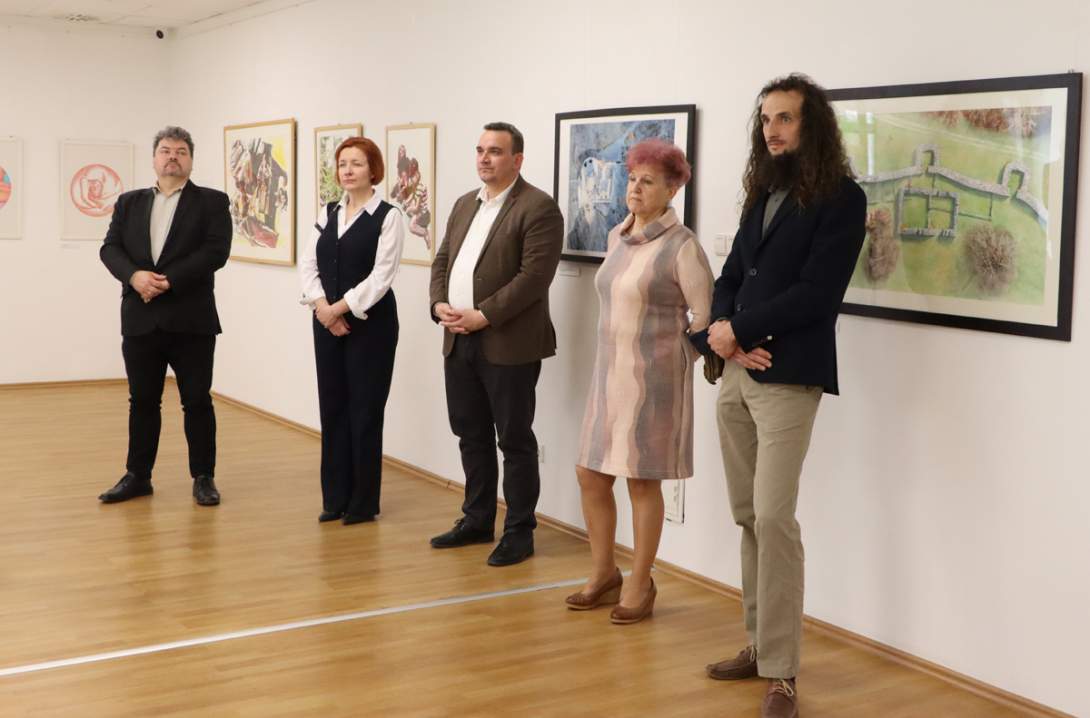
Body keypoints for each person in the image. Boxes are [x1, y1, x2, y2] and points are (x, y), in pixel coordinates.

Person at [704, 74, 866, 718]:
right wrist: (724, 334)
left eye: (785, 118)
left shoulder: (842, 198)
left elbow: (818, 294)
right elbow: (730, 276)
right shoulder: (763, 191)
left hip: (789, 375)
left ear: (812, 125)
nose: (772, 130)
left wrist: (738, 331)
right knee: (748, 516)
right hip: (738, 374)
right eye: (766, 119)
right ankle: (759, 644)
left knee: (774, 519)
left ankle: (783, 673)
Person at [567, 139, 713, 624]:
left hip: (654, 381)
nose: (635, 188)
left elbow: (705, 317)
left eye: (648, 181)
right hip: (608, 375)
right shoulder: (617, 236)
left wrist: (676, 359)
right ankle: (604, 573)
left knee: (641, 482)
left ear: (672, 190)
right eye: (632, 178)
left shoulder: (682, 246)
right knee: (590, 473)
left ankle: (639, 582)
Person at [427, 122, 563, 566]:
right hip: (457, 338)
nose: (484, 158)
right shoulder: (465, 203)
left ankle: (519, 532)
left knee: (515, 440)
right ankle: (477, 519)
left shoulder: (538, 207)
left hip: (508, 344)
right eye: (480, 150)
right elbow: (443, 260)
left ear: (517, 160)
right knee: (470, 434)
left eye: (496, 151)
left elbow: (534, 278)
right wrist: (439, 304)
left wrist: (483, 315)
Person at [98, 126, 231, 507]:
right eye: (166, 150)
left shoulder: (212, 202)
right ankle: (138, 476)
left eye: (181, 151)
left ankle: (203, 477)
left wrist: (168, 280)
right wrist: (134, 276)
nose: (173, 157)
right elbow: (110, 249)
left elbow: (215, 252)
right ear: (154, 159)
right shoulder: (129, 202)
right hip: (140, 317)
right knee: (142, 401)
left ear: (191, 160)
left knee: (197, 401)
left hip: (192, 320)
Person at [298, 137, 404, 525]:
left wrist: (338, 309)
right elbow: (308, 264)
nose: (347, 170)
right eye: (343, 163)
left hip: (371, 327)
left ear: (373, 170)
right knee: (333, 408)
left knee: (365, 411)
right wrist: (322, 308)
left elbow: (382, 276)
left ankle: (362, 503)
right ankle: (335, 498)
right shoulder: (328, 211)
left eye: (356, 163)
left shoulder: (389, 216)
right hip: (326, 322)